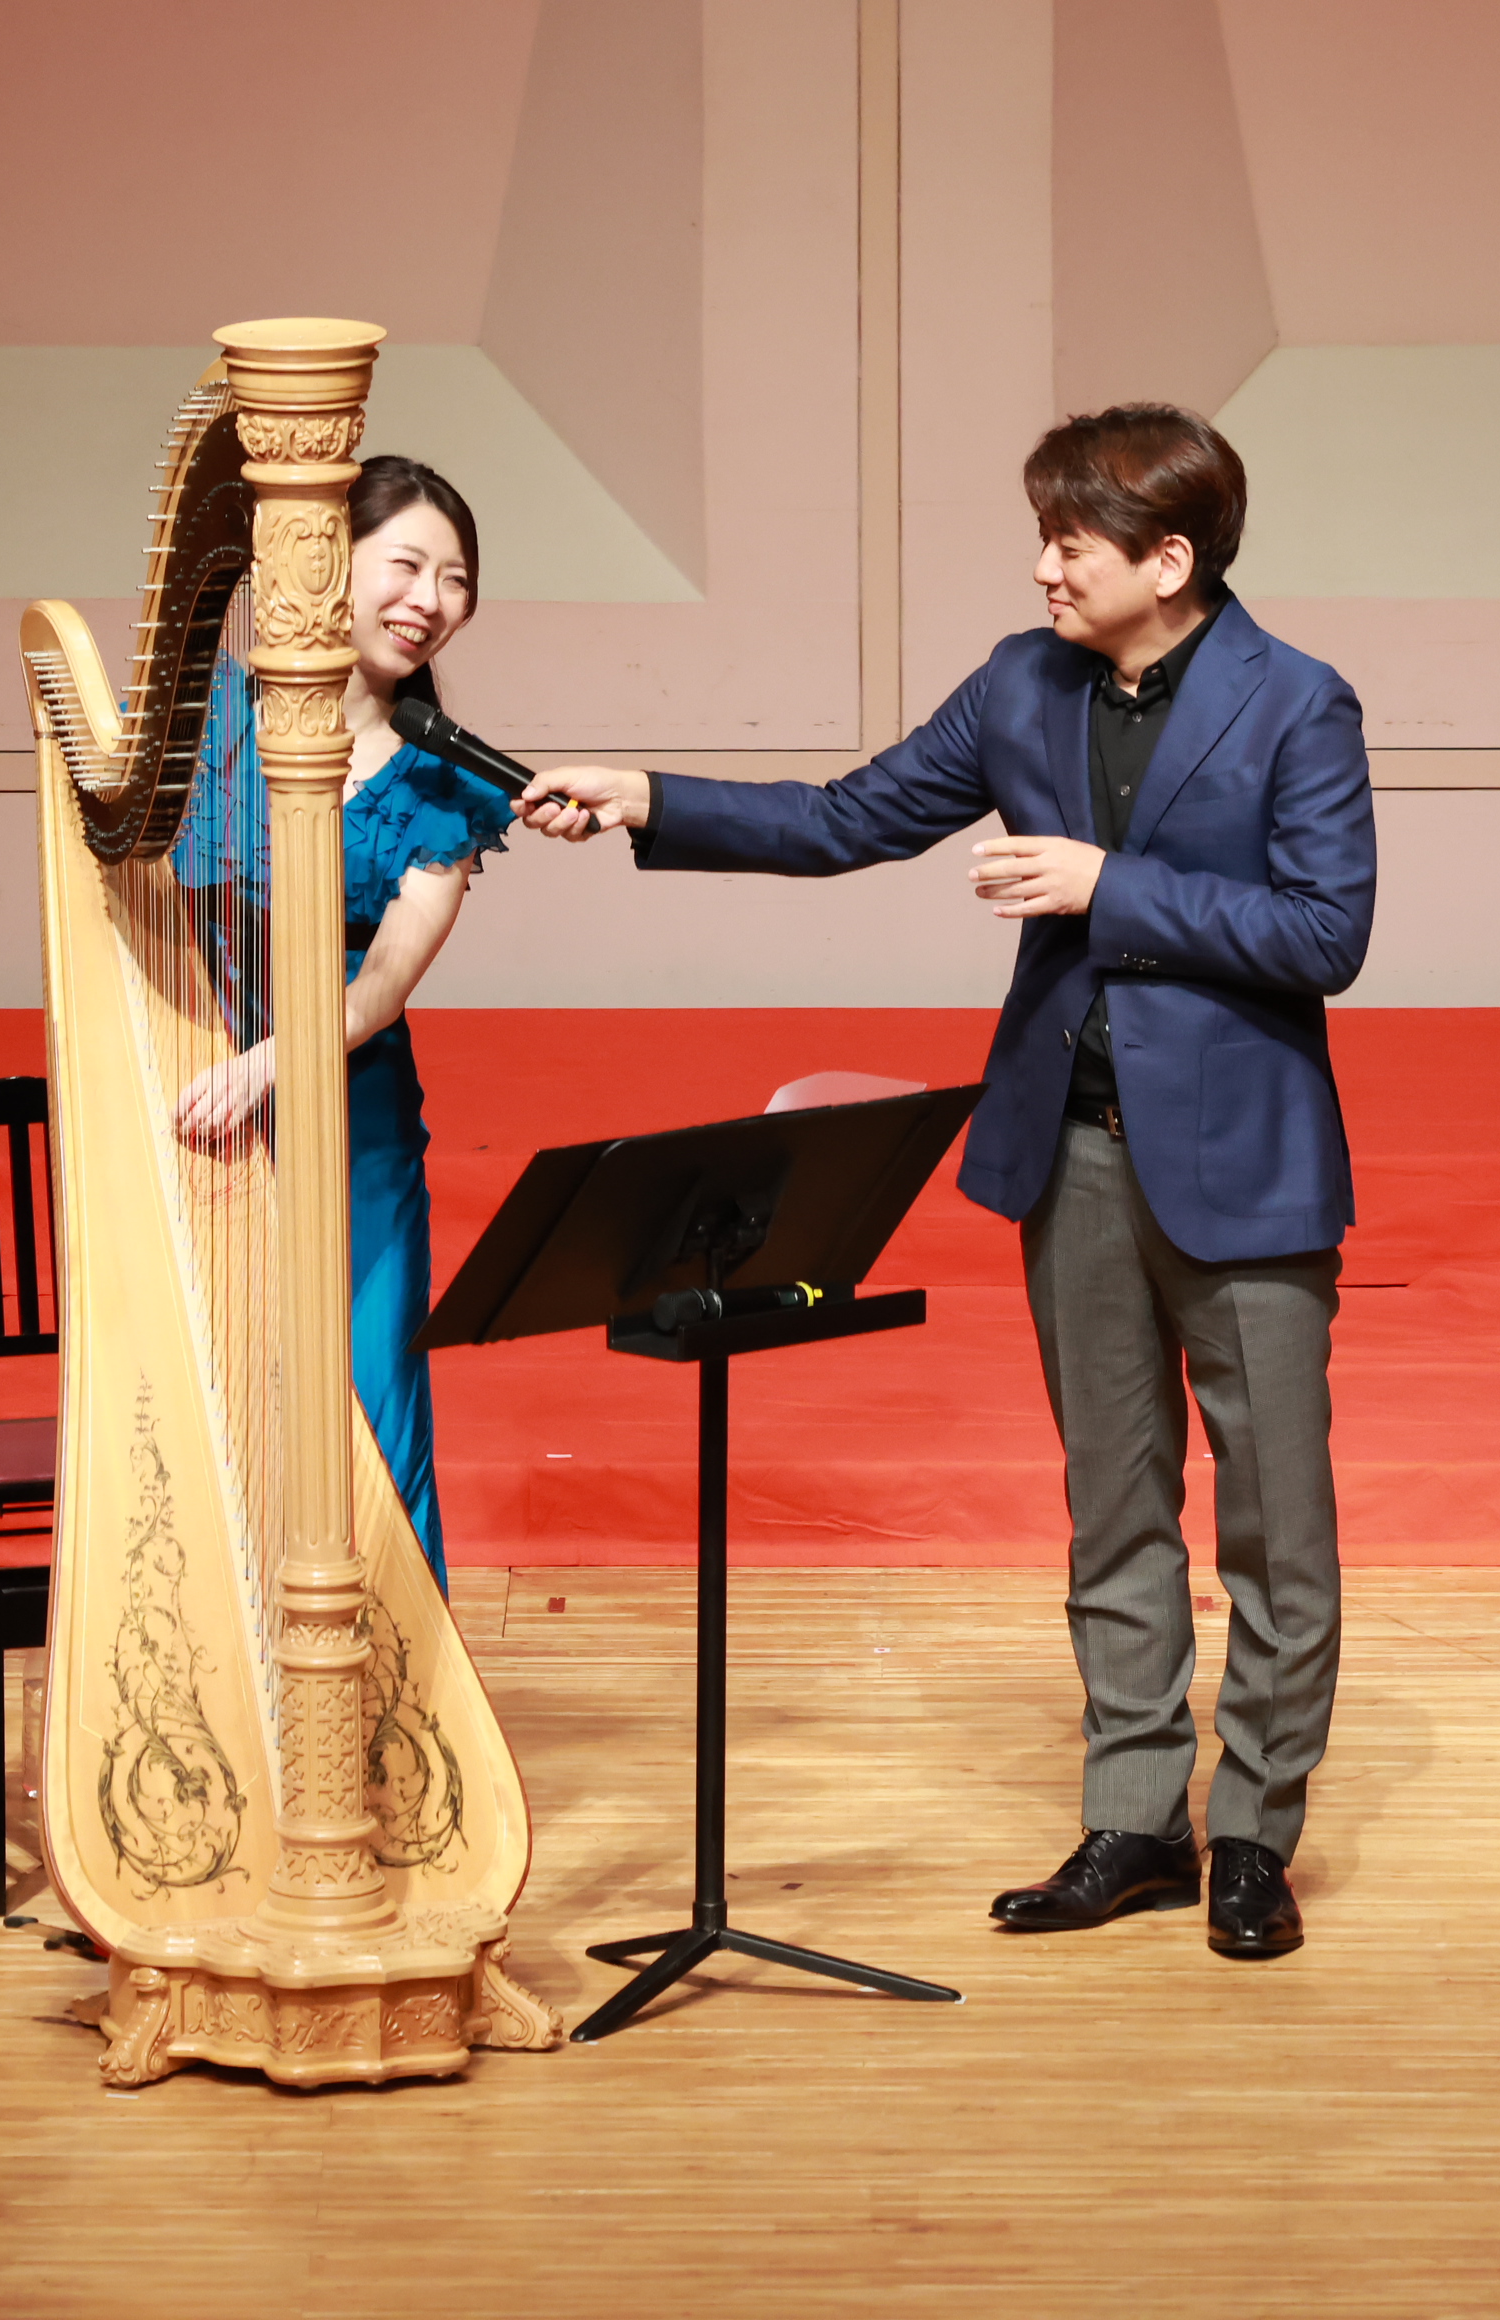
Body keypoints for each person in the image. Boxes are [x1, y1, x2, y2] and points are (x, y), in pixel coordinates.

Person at [518, 405, 1375, 1960]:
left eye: (1072, 542)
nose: (1044, 567)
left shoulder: (1297, 701)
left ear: (1170, 560)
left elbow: (1327, 934)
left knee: (1276, 1526)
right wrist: (649, 796)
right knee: (1113, 1502)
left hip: (1246, 1171)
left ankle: (1255, 1834)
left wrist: (1111, 885)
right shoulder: (1019, 683)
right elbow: (845, 819)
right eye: (1044, 538)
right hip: (1076, 1158)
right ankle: (1137, 1819)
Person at [171, 454, 513, 1590]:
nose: (430, 599)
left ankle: (401, 1681)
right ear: (328, 563)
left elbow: (380, 989)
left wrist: (268, 1065)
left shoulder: (446, 788)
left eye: (454, 580)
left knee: (376, 1401)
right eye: (406, 564)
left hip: (351, 1115)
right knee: (208, 1399)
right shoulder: (207, 722)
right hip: (192, 1086)